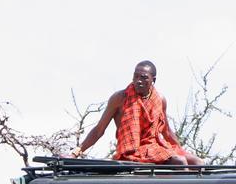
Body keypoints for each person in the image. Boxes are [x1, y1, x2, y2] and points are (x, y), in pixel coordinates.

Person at [70, 61, 201, 165]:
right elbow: (99, 130)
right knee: (180, 162)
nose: (138, 81)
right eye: (135, 76)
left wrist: (180, 150)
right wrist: (77, 152)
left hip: (154, 147)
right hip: (131, 151)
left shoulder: (160, 99)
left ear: (153, 80)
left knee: (196, 162)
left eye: (143, 78)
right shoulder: (120, 98)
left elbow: (166, 131)